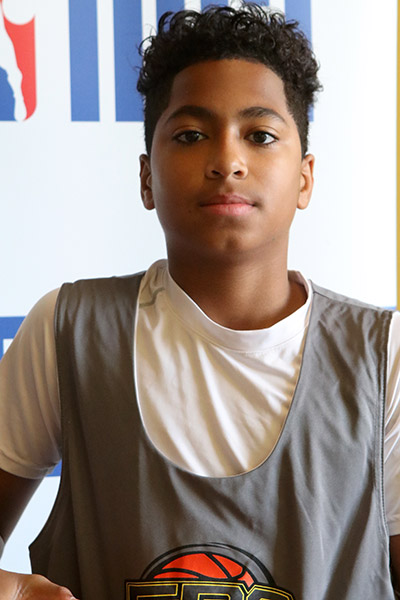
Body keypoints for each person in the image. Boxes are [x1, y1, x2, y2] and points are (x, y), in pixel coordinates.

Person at [0, 3, 399, 598]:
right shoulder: (69, 331)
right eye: (191, 135)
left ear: (305, 178)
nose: (227, 161)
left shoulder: (382, 357)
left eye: (260, 136)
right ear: (146, 178)